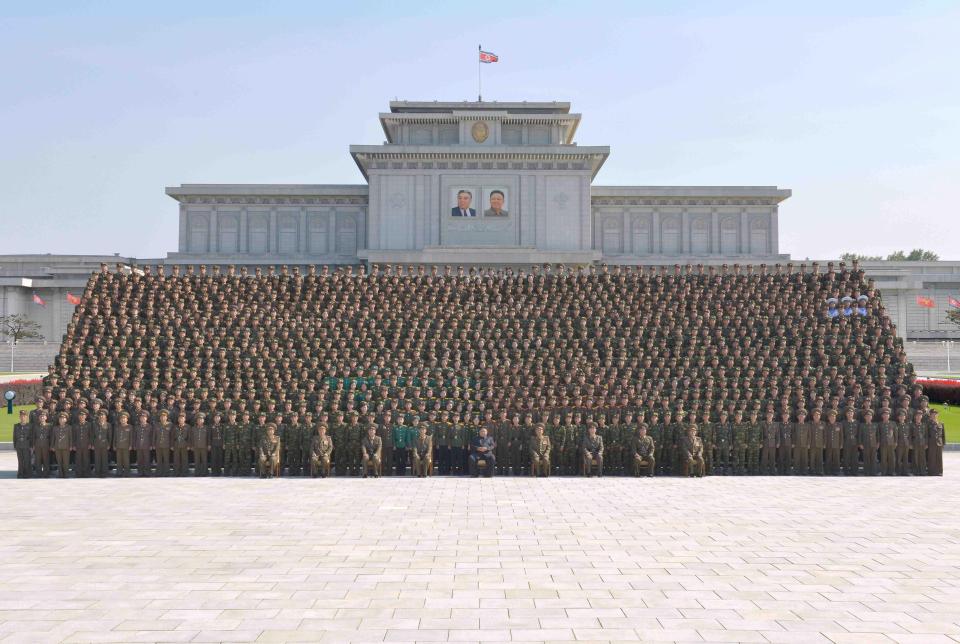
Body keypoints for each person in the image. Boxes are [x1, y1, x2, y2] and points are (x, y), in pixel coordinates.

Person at [51, 411, 73, 478]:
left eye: (63, 418)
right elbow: (53, 438)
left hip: (66, 447)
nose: (62, 420)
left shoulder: (69, 427)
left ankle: (66, 474)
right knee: (59, 462)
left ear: (66, 419)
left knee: (66, 462)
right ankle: (60, 474)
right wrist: (52, 446)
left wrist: (71, 446)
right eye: (60, 419)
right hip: (57, 447)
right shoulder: (55, 428)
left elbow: (70, 437)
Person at [113, 410, 134, 477]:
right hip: (118, 446)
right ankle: (119, 472)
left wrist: (131, 445)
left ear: (127, 419)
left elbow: (131, 437)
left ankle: (127, 472)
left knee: (126, 460)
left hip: (126, 446)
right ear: (120, 420)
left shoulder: (130, 427)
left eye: (124, 418)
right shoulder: (117, 427)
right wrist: (114, 445)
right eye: (122, 419)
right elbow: (115, 437)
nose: (123, 420)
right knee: (119, 460)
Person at [13, 409, 33, 478]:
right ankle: (20, 473)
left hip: (27, 446)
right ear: (19, 417)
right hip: (19, 446)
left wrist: (31, 446)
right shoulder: (16, 426)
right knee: (20, 460)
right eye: (21, 416)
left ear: (26, 417)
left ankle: (27, 474)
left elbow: (31, 437)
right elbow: (14, 436)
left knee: (27, 460)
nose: (22, 417)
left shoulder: (30, 426)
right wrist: (15, 445)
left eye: (24, 416)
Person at [92, 410, 112, 477]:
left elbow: (109, 436)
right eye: (100, 415)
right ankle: (97, 472)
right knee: (97, 459)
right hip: (96, 444)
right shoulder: (94, 424)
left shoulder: (108, 425)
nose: (101, 417)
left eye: (103, 415)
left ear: (105, 417)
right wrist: (92, 444)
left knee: (104, 459)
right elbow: (92, 436)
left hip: (105, 444)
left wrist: (109, 444)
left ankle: (104, 472)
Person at [926, 409, 944, 476]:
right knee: (931, 457)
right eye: (932, 414)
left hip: (939, 443)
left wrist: (943, 443)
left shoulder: (941, 423)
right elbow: (926, 434)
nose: (934, 416)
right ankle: (931, 472)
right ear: (930, 415)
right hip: (931, 443)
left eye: (935, 414)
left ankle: (939, 472)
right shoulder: (928, 423)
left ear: (938, 415)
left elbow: (943, 435)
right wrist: (926, 443)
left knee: (939, 458)